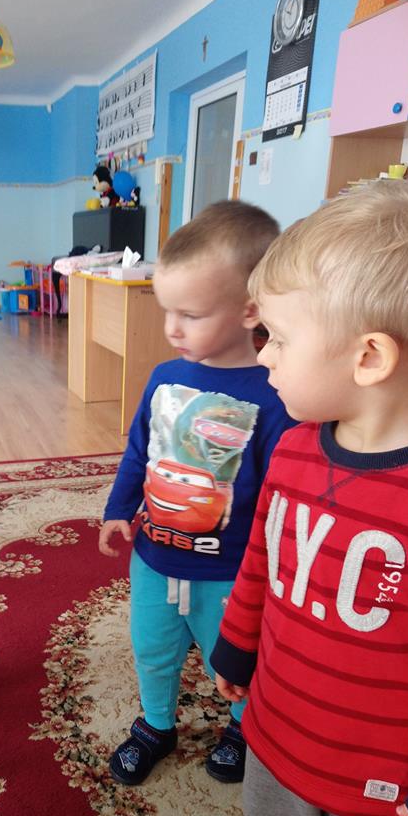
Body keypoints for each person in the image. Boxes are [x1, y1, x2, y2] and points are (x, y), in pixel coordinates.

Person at [194, 180, 408, 816]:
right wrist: (235, 646)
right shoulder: (292, 449)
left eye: (279, 339)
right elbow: (261, 560)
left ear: (367, 357)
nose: (262, 355)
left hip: (386, 785)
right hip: (277, 732)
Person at [99, 201, 292, 786]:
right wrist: (118, 509)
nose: (172, 328)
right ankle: (156, 724)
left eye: (190, 314)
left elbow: (282, 492)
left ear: (250, 310)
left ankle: (241, 727)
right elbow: (140, 450)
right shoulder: (164, 377)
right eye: (168, 311)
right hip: (155, 558)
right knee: (152, 648)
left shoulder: (278, 392)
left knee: (231, 659)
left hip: (230, 572)